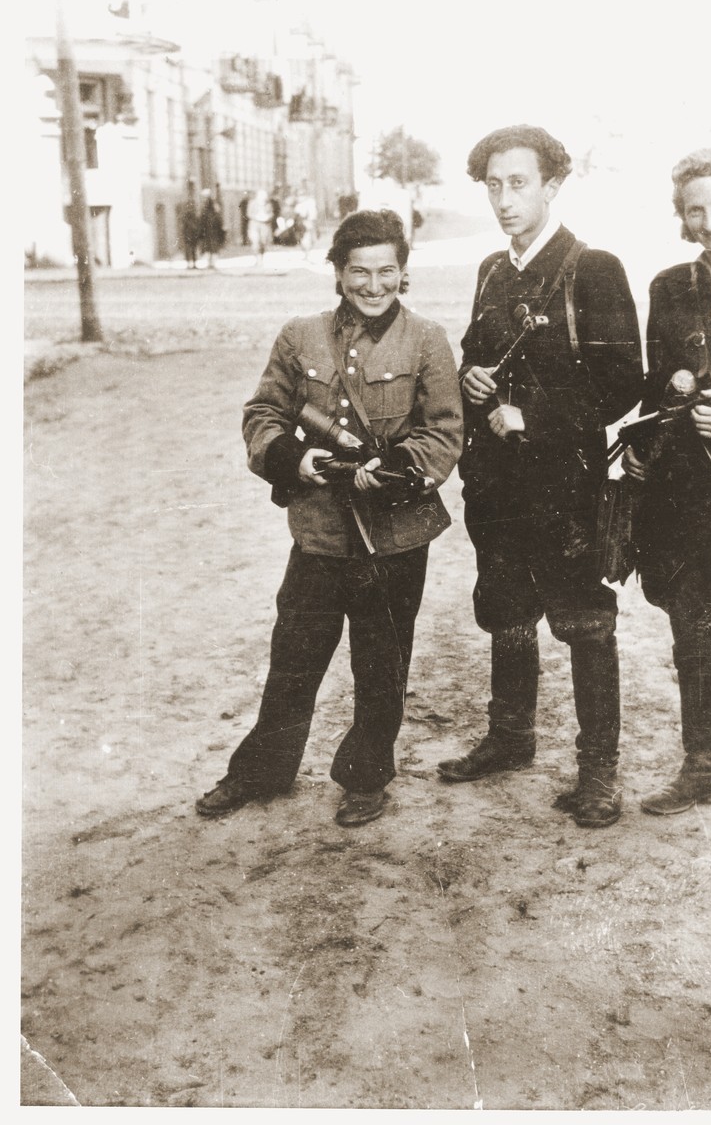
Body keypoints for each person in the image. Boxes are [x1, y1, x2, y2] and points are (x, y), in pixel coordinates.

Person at [196, 209, 463, 826]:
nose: (374, 287)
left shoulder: (426, 339)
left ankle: (367, 776)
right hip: (319, 531)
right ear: (338, 273)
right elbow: (262, 414)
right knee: (294, 655)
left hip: (395, 535)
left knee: (381, 660)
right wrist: (297, 459)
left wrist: (392, 469)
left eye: (387, 272)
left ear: (404, 272)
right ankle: (263, 770)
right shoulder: (300, 336)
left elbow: (445, 432)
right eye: (359, 272)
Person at [436, 125, 643, 827]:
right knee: (507, 608)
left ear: (552, 186)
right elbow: (473, 352)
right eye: (493, 185)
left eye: (518, 183)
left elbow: (624, 383)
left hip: (566, 482)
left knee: (585, 621)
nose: (503, 199)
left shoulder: (594, 268)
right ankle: (510, 736)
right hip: (496, 482)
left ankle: (599, 770)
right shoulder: (494, 270)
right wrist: (473, 377)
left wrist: (533, 414)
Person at [624, 146, 711, 827]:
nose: (709, 220)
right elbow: (655, 387)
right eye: (694, 208)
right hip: (681, 496)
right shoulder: (669, 288)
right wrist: (670, 398)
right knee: (690, 635)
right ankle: (704, 768)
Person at [247, 188, 275, 265]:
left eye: (264, 196)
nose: (263, 198)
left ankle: (261, 259)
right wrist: (257, 217)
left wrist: (267, 217)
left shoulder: (268, 204)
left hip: (264, 225)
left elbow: (272, 214)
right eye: (262, 196)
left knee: (263, 242)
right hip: (254, 225)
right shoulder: (252, 203)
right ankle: (257, 258)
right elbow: (249, 213)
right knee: (255, 241)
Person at [198, 189, 225, 269]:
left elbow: (217, 215)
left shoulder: (210, 204)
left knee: (211, 246)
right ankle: (211, 262)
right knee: (210, 246)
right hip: (209, 229)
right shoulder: (209, 205)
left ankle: (211, 262)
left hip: (211, 228)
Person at [180, 183, 200, 270]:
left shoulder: (193, 203)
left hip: (192, 231)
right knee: (189, 248)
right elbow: (184, 219)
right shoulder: (187, 204)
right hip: (188, 231)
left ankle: (193, 263)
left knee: (193, 248)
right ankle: (189, 264)